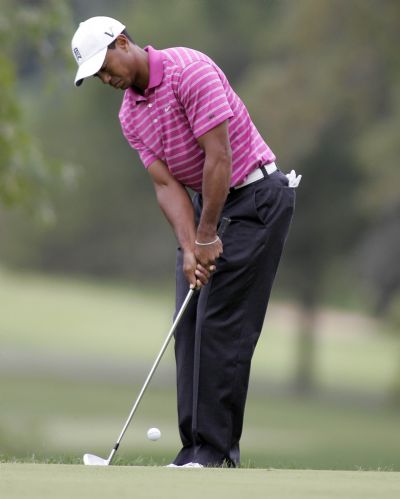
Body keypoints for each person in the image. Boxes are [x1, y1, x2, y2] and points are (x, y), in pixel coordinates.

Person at [71, 16, 301, 468]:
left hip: (254, 198)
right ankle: (192, 450)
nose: (106, 78)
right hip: (208, 209)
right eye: (96, 75)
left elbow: (219, 157)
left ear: (123, 42)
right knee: (189, 325)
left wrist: (208, 234)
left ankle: (214, 454)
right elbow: (166, 187)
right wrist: (191, 245)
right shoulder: (129, 114)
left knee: (221, 327)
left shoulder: (188, 70)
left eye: (105, 66)